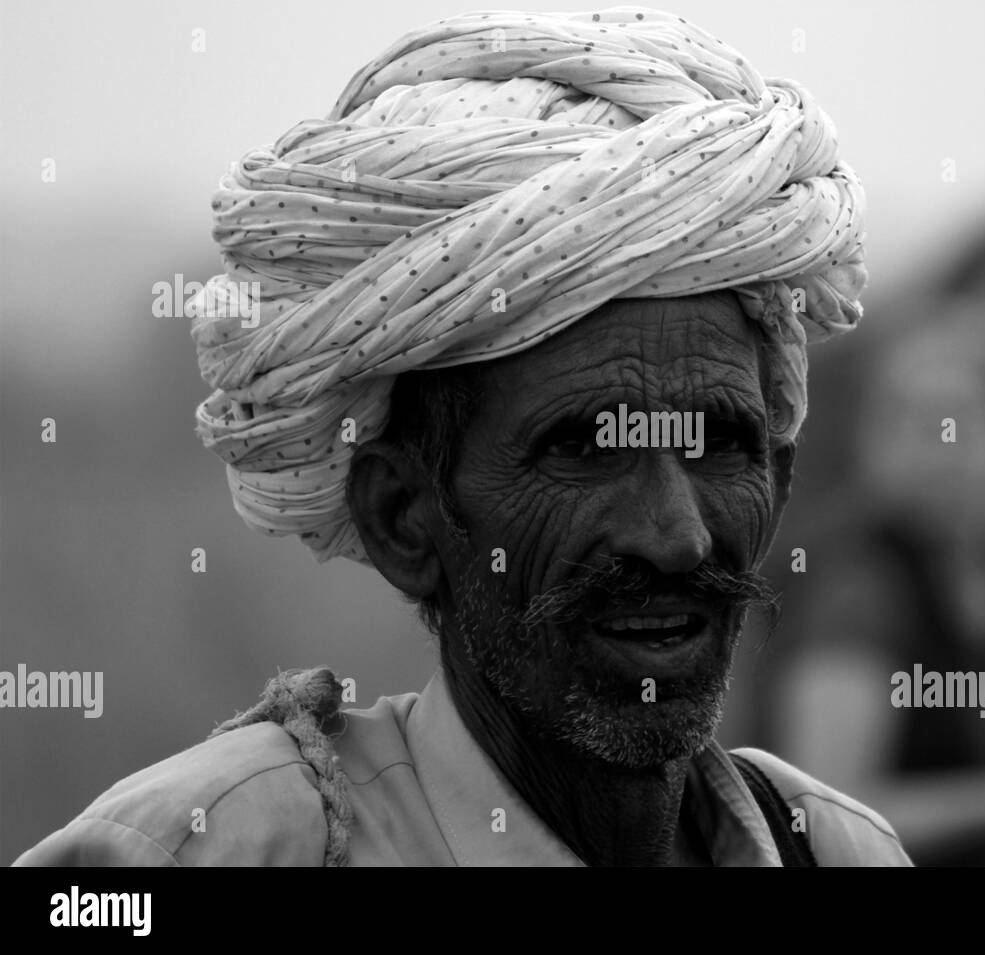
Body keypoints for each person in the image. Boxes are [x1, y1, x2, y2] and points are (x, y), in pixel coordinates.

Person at [14, 7, 910, 867]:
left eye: (720, 443)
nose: (677, 535)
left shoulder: (836, 851)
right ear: (403, 516)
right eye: (586, 449)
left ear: (781, 484)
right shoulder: (205, 851)